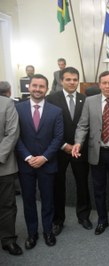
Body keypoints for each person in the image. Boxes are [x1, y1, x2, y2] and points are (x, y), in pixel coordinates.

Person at [72, 71, 109, 235]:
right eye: (104, 83)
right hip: (96, 152)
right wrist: (78, 143)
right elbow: (83, 125)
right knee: (98, 189)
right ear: (99, 84)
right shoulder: (90, 101)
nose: (107, 86)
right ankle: (102, 220)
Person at [15, 74, 64, 249]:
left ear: (46, 89)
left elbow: (58, 138)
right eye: (34, 86)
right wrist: (28, 157)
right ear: (29, 87)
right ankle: (32, 233)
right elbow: (16, 137)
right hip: (25, 164)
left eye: (41, 86)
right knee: (28, 200)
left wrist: (44, 157)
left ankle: (48, 231)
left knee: (48, 200)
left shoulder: (55, 111)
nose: (37, 89)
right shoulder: (17, 109)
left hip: (47, 163)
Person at [46, 67, 92, 235]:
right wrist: (64, 145)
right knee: (58, 185)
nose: (72, 82)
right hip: (59, 150)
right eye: (68, 79)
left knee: (82, 184)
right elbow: (48, 126)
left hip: (80, 150)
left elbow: (86, 125)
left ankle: (83, 216)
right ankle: (58, 220)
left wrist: (77, 145)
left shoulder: (85, 99)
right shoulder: (51, 99)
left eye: (75, 79)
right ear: (61, 81)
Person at [0, 95, 22, 256]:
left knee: (7, 204)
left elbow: (13, 132)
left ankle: (8, 240)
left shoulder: (6, 103)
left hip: (3, 163)